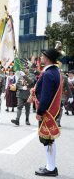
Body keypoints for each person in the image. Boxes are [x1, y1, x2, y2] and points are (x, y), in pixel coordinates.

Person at [33, 46, 62, 177]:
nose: (41, 58)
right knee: (49, 139)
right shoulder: (56, 71)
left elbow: (45, 96)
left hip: (47, 112)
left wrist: (39, 112)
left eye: (43, 56)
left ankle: (51, 168)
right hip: (53, 110)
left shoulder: (49, 74)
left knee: (47, 139)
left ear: (48, 59)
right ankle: (51, 165)